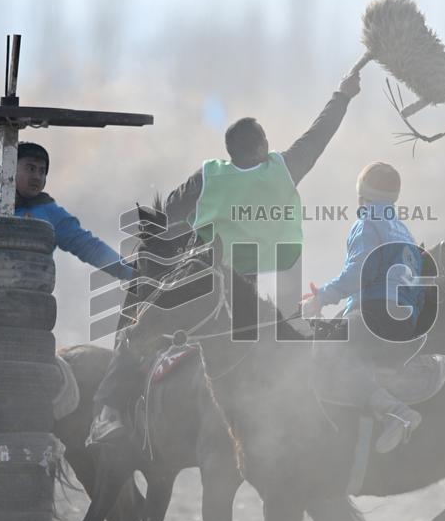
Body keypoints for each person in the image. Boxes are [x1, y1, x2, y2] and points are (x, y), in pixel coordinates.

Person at [88, 65, 364, 445]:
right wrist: (343, 94)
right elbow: (319, 135)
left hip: (201, 274)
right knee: (288, 337)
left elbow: (168, 216)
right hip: (251, 284)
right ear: (263, 146)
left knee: (140, 329)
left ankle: (110, 412)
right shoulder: (284, 169)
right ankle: (302, 414)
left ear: (230, 152)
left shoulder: (208, 176)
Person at [301, 162, 425, 453]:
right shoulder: (402, 228)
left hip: (379, 313)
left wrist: (320, 299)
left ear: (361, 197)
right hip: (409, 322)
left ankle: (395, 412)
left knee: (324, 344)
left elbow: (358, 273)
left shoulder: (366, 222)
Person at [0, 142, 134, 281]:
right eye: (30, 168)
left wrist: (130, 274)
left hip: (25, 305)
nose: (37, 176)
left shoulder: (50, 213)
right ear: (9, 169)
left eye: (42, 171)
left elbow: (89, 246)